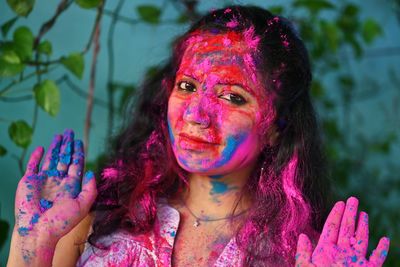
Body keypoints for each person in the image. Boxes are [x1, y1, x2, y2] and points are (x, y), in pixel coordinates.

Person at [7, 5, 390, 267]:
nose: (196, 113)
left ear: (276, 126)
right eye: (188, 86)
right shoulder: (95, 218)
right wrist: (33, 243)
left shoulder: (302, 253)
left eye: (232, 96)